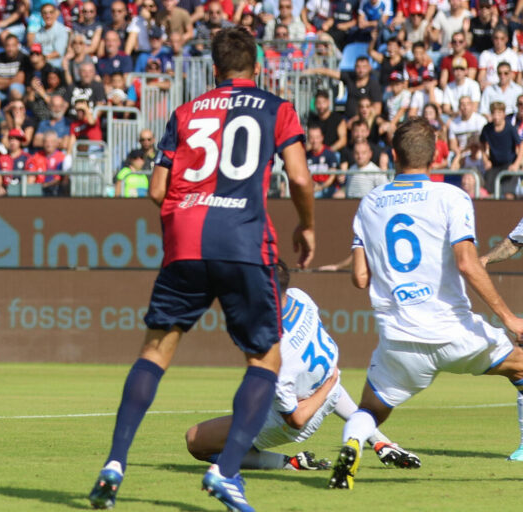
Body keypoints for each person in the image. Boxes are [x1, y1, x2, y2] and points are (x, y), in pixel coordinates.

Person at [87, 26, 315, 512]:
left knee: (154, 353)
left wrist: (186, 216)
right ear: (257, 67)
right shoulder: (277, 107)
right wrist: (307, 227)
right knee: (265, 362)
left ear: (213, 70)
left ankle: (114, 463)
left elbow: (156, 189)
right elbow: (298, 175)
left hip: (186, 240)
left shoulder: (186, 112)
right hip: (244, 242)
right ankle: (226, 471)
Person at [327, 117, 523, 490]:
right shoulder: (452, 197)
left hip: (398, 343)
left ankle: (353, 442)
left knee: (369, 410)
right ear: (434, 156)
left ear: (393, 155)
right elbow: (467, 262)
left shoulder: (369, 203)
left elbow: (360, 278)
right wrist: (510, 318)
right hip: (454, 332)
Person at [185, 260, 420, 471]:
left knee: (195, 440)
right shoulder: (301, 297)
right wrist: (329, 385)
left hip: (293, 419)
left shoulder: (275, 353)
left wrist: (326, 388)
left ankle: (288, 463)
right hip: (331, 387)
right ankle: (380, 440)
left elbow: (296, 419)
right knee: (323, 380)